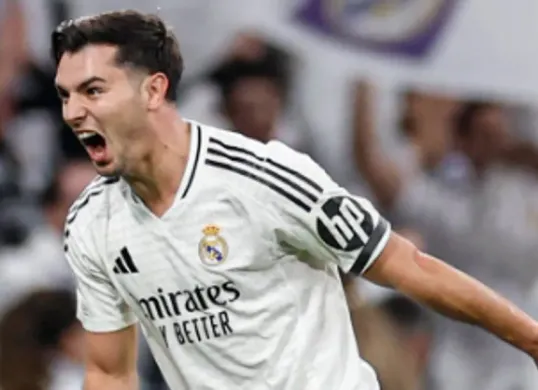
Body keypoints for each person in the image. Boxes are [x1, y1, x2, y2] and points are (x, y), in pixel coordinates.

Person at [52, 10, 538, 390]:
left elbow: (409, 266)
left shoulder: (266, 178)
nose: (74, 112)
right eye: (65, 95)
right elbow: (111, 373)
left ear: (153, 91)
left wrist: (531, 338)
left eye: (93, 91)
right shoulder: (93, 224)